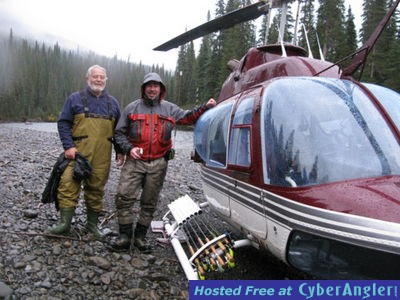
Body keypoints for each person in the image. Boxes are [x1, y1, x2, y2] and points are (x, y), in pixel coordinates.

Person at [111, 72, 216, 252]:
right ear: (143, 89)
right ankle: (125, 236)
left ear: (161, 89)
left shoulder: (170, 109)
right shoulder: (131, 108)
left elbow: (189, 117)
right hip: (134, 161)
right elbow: (118, 133)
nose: (152, 89)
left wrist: (205, 107)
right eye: (149, 86)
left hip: (159, 163)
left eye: (156, 86)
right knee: (123, 198)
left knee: (150, 201)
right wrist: (129, 149)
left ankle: (140, 238)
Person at [48, 65, 123, 240]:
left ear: (105, 80)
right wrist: (68, 146)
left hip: (102, 155)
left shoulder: (113, 103)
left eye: (102, 77)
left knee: (96, 188)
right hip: (77, 153)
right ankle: (64, 224)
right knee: (67, 184)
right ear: (87, 79)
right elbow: (63, 123)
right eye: (95, 76)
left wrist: (120, 152)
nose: (98, 80)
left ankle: (92, 226)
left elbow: (119, 131)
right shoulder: (74, 99)